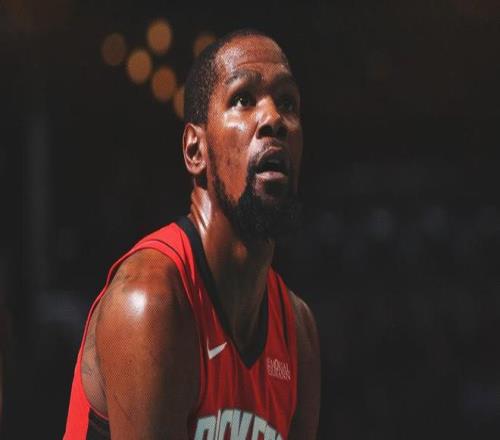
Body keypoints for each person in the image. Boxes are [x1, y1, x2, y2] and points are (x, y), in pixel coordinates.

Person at [64, 29, 320, 439]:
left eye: (288, 102)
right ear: (195, 151)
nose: (274, 118)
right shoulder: (150, 302)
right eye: (243, 99)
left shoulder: (297, 331)